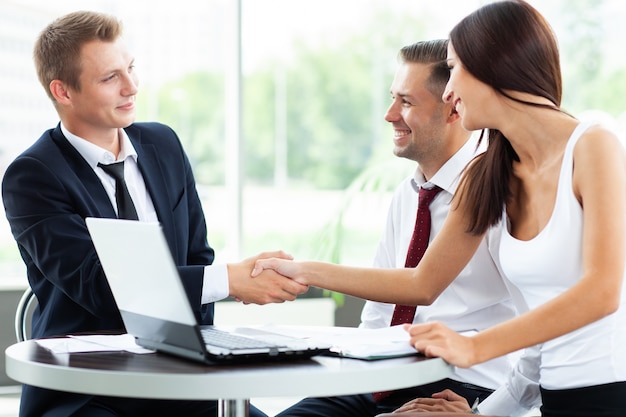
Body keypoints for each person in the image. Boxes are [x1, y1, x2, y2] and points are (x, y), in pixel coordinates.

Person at [252, 1, 626, 416]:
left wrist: (473, 348)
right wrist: (302, 270)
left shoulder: (594, 143)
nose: (450, 92)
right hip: (554, 396)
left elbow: (602, 292)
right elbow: (422, 283)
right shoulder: (492, 177)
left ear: (495, 67)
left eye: (456, 69)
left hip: (609, 391)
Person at [1, 10, 307, 417]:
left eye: (130, 69)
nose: (131, 87)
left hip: (178, 375)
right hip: (89, 389)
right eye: (110, 78)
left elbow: (197, 256)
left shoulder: (163, 145)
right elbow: (98, 285)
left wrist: (203, 360)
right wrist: (229, 280)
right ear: (63, 91)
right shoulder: (33, 175)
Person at [275, 39, 518, 417]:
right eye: (393, 98)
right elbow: (379, 313)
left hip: (461, 385)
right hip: (379, 380)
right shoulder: (408, 195)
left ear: (454, 108)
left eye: (406, 102)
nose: (389, 115)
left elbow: (423, 286)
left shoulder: (496, 192)